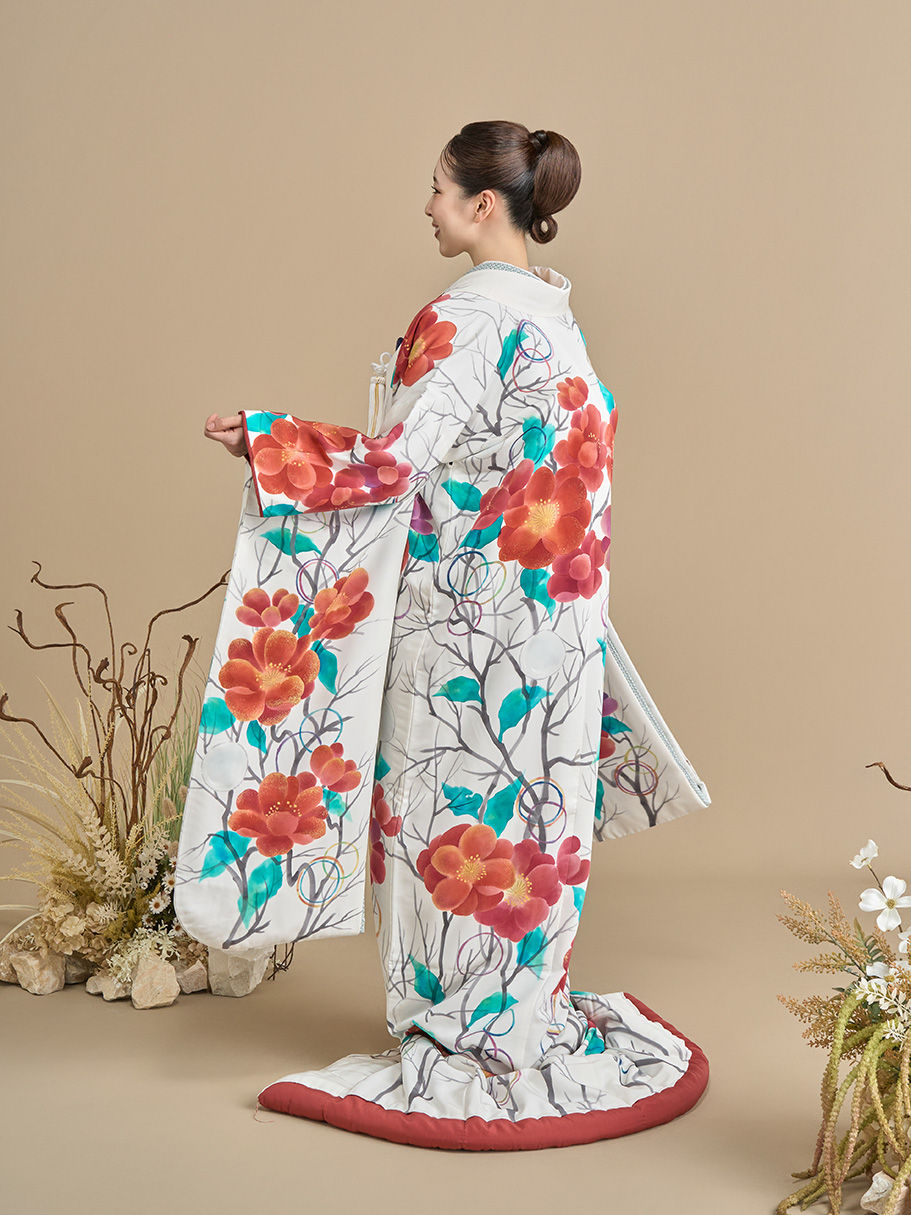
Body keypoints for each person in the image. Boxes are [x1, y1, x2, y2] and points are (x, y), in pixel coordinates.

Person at [192, 120, 709, 1149]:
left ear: (481, 203)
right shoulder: (554, 317)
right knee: (530, 827)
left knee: (448, 824)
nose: (424, 207)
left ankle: (467, 1035)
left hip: (467, 634)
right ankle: (516, 1012)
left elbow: (397, 464)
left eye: (436, 189)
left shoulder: (462, 319)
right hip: (552, 625)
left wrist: (269, 443)